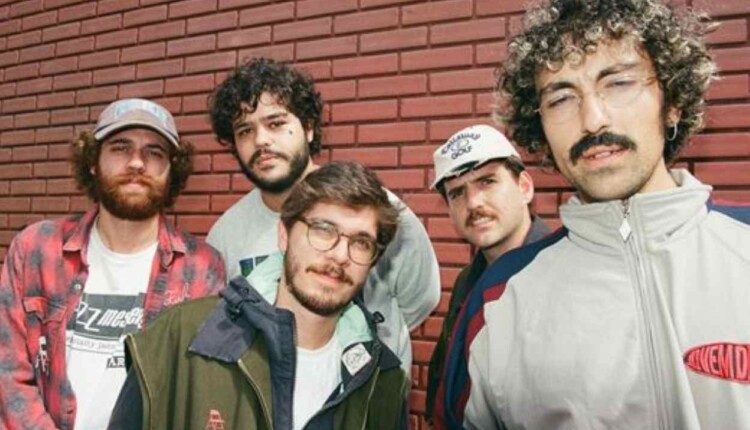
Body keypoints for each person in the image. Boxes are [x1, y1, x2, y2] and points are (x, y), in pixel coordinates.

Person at [437, 0, 750, 429]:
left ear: (672, 102)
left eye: (619, 83)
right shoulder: (498, 300)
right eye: (561, 98)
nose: (593, 119)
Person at [107, 162, 410, 430]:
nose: (340, 255)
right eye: (323, 230)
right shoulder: (179, 339)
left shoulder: (383, 382)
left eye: (361, 243)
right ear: (284, 235)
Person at [0, 98, 226, 430]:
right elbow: (8, 372)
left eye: (154, 152)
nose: (136, 162)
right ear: (93, 161)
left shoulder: (203, 268)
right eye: (120, 147)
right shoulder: (37, 249)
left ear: (171, 170)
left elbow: (200, 389)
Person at [205, 57, 441, 372]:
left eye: (276, 123)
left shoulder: (376, 210)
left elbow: (420, 299)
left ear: (309, 128)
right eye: (245, 130)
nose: (261, 140)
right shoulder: (225, 235)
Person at [424, 124, 550, 422]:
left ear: (524, 187)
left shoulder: (564, 275)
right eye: (457, 193)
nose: (473, 203)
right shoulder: (467, 283)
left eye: (487, 182)